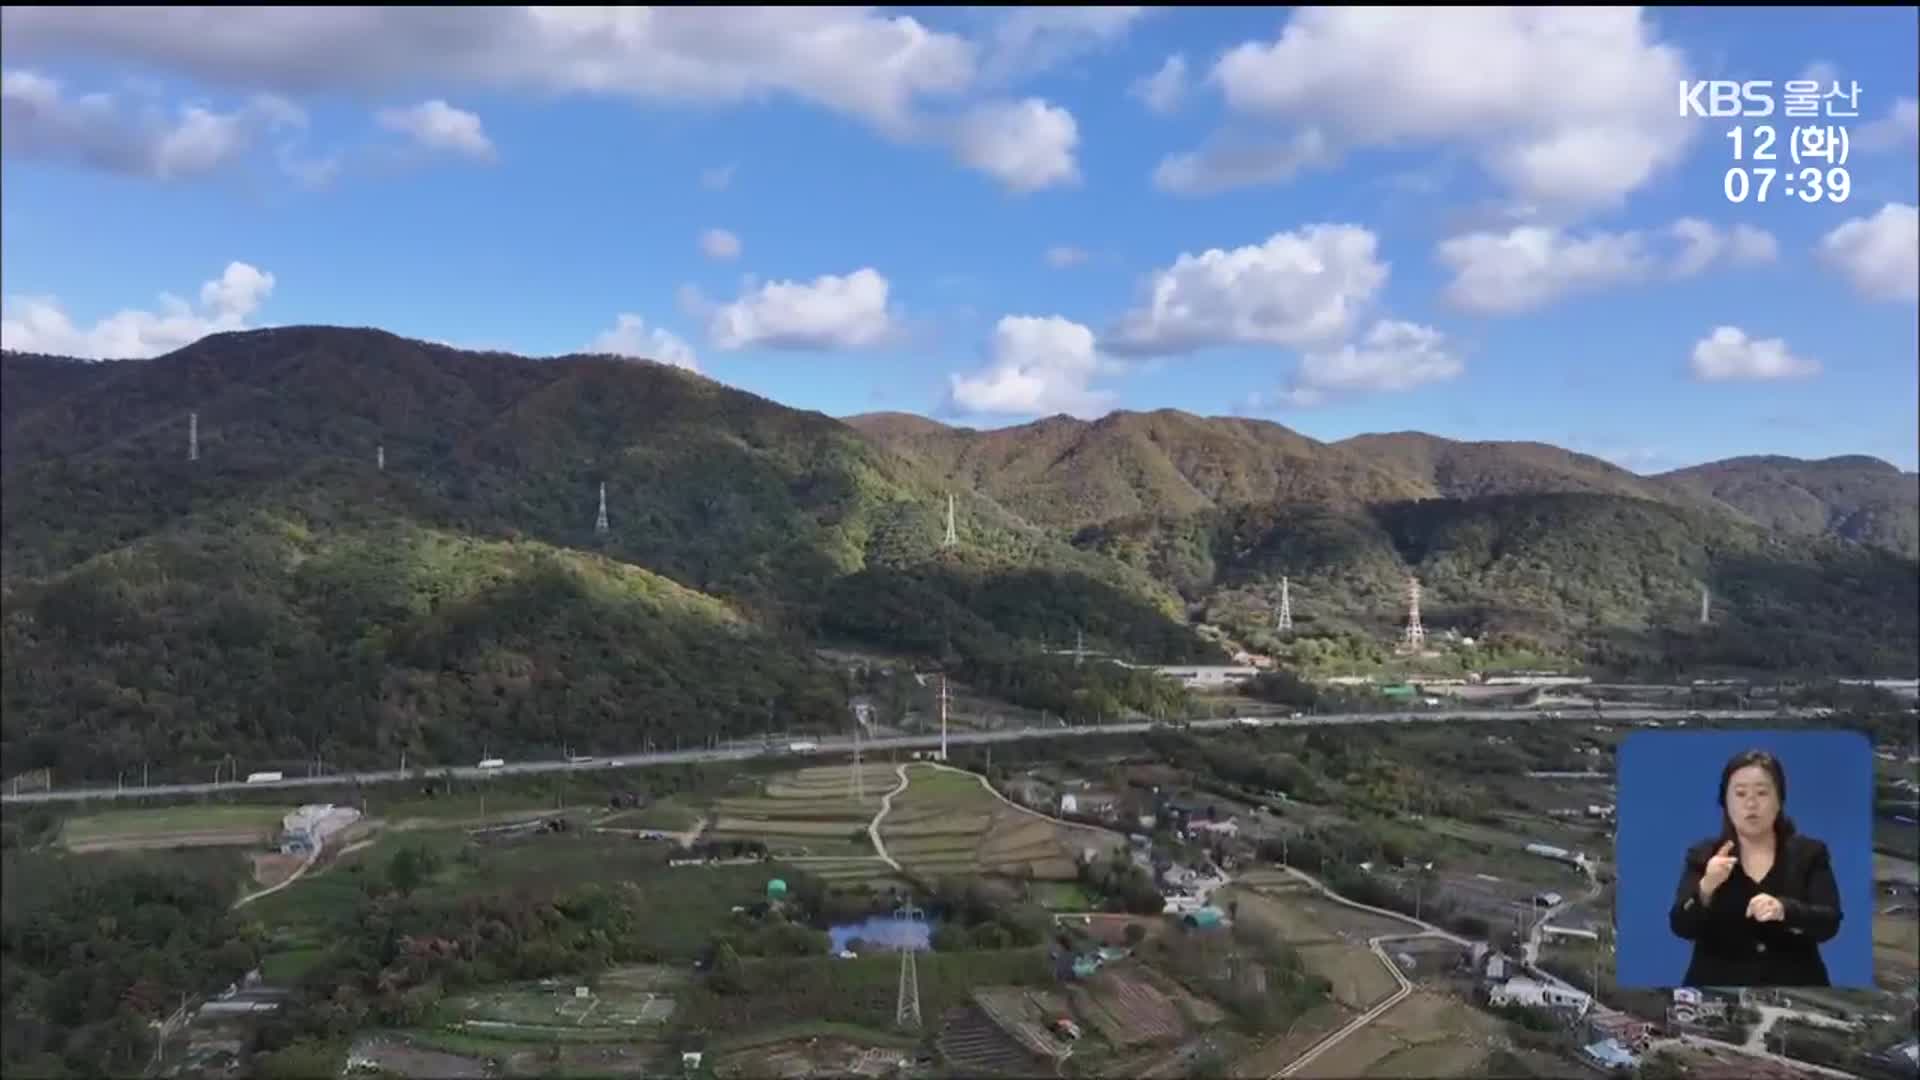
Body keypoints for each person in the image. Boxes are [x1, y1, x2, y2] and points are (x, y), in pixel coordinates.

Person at [1668, 749, 1842, 986]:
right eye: (1740, 794)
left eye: (1761, 793)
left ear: (1779, 800)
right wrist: (1706, 888)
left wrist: (1785, 909)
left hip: (1796, 987)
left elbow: (1829, 922)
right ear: (1725, 801)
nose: (1751, 803)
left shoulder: (1809, 853)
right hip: (1718, 986)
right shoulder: (1703, 855)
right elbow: (1681, 926)